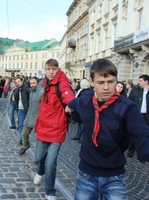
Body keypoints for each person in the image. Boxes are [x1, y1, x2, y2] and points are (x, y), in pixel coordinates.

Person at [65, 59, 149, 199]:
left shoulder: (126, 107)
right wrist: (69, 106)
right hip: (87, 174)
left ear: (116, 80)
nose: (106, 87)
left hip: (114, 177)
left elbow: (142, 133)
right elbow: (75, 102)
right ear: (92, 82)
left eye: (110, 82)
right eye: (101, 82)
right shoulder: (86, 101)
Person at [33, 59, 75, 200]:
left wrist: (71, 104)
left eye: (54, 69)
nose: (51, 72)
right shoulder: (44, 82)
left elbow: (68, 94)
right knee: (39, 157)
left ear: (58, 69)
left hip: (57, 129)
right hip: (43, 126)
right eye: (48, 69)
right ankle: (39, 171)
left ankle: (49, 191)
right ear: (44, 69)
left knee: (51, 163)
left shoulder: (62, 82)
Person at [127, 74, 149, 163]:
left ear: (146, 81)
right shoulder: (135, 91)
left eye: (140, 80)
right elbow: (130, 102)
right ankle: (130, 151)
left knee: (145, 135)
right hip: (137, 115)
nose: (138, 82)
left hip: (147, 116)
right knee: (134, 134)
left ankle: (141, 155)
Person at [18, 77, 43, 155]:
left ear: (37, 83)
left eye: (34, 83)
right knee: (24, 134)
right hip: (30, 116)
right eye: (31, 83)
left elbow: (43, 95)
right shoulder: (32, 92)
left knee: (39, 138)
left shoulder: (40, 91)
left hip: (39, 118)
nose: (32, 85)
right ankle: (26, 146)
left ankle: (39, 154)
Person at [14, 77, 31, 145]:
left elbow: (31, 96)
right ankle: (21, 139)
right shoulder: (17, 89)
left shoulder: (26, 87)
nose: (18, 83)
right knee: (20, 125)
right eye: (16, 82)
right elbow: (16, 99)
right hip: (20, 109)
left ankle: (24, 138)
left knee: (26, 125)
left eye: (19, 81)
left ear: (22, 80)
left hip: (26, 109)